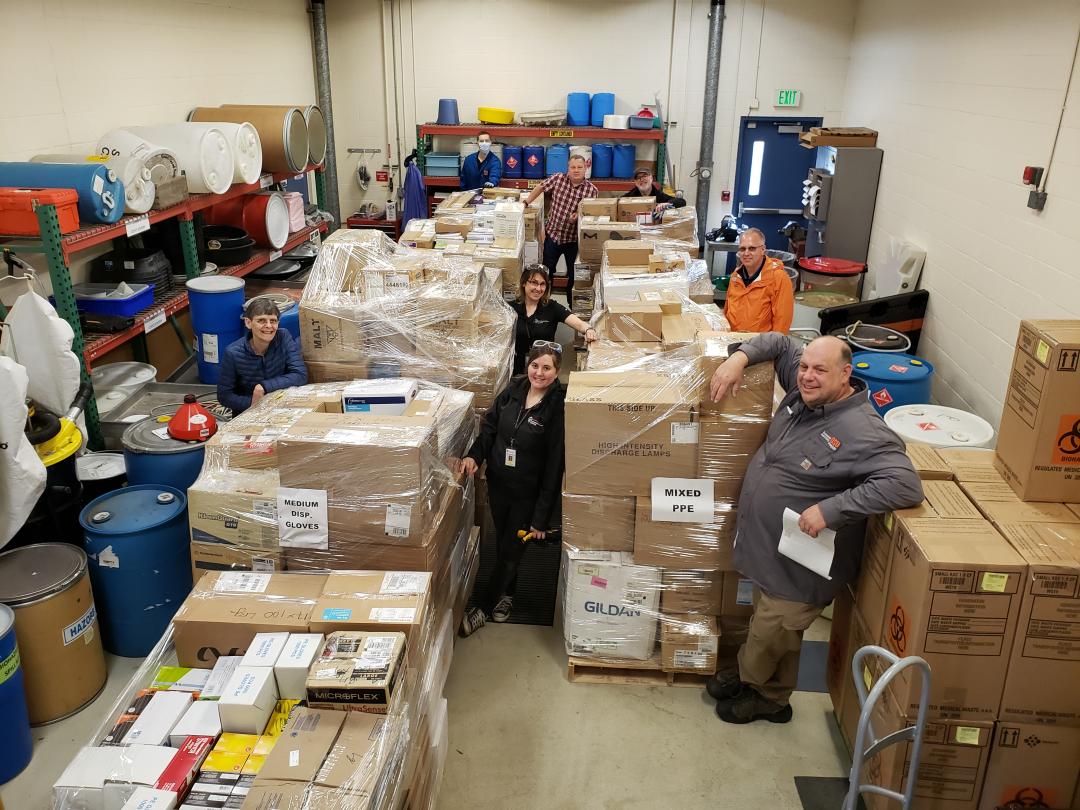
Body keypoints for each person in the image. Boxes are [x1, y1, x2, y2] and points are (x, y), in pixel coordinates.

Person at [704, 333, 923, 724]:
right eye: (804, 367)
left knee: (772, 631)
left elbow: (905, 483)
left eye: (820, 370)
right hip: (771, 550)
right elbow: (779, 343)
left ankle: (769, 699)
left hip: (803, 564)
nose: (806, 376)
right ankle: (762, 685)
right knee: (769, 626)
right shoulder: (806, 394)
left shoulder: (863, 429)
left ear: (845, 374)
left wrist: (833, 508)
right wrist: (739, 359)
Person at [459, 343, 565, 632]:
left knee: (509, 549)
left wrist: (542, 518)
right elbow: (490, 428)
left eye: (547, 368)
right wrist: (474, 455)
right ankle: (507, 594)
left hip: (527, 494)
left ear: (556, 373)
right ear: (527, 366)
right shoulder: (514, 389)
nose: (539, 373)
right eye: (535, 365)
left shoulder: (557, 407)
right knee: (505, 541)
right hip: (499, 485)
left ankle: (483, 606)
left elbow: (555, 465)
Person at [522, 154, 598, 296]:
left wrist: (578, 216)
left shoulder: (592, 190)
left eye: (579, 167)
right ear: (568, 168)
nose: (576, 170)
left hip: (573, 240)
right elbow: (541, 187)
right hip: (553, 236)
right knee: (546, 272)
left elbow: (591, 216)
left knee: (573, 274)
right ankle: (544, 301)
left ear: (585, 168)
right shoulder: (558, 179)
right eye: (573, 167)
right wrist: (527, 202)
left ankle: (571, 304)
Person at [217, 298, 307, 415]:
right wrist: (255, 403)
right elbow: (224, 396)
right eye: (261, 321)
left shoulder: (283, 337)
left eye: (273, 321)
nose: (269, 326)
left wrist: (264, 387)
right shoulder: (233, 353)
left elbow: (300, 375)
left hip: (281, 408)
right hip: (249, 414)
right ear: (248, 323)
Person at [510, 265, 596, 375]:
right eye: (534, 283)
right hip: (517, 369)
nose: (538, 288)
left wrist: (589, 330)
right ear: (523, 283)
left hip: (544, 370)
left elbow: (579, 324)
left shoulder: (552, 307)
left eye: (542, 284)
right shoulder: (510, 308)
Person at [723, 228, 794, 333]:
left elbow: (782, 324)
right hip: (733, 341)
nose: (746, 253)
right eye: (742, 249)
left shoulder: (779, 278)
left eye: (751, 248)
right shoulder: (735, 276)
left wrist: (771, 347)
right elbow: (727, 310)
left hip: (760, 346)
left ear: (763, 250)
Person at [621, 168, 686, 219]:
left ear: (651, 178)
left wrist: (667, 204)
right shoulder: (630, 196)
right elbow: (617, 202)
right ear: (635, 182)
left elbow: (682, 202)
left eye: (645, 176)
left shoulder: (659, 196)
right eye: (638, 177)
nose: (641, 179)